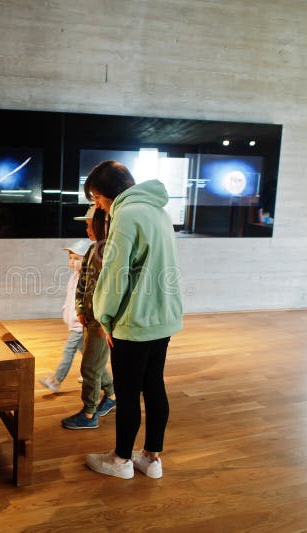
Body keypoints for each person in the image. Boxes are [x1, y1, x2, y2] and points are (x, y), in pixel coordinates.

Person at [83, 161, 183, 479]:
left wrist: (106, 317)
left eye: (96, 199)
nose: (98, 206)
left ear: (105, 193)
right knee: (154, 385)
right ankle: (151, 458)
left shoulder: (126, 214)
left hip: (134, 320)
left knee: (127, 393)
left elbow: (115, 275)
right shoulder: (159, 212)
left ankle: (121, 459)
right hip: (163, 316)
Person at [61, 205, 117, 429]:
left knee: (90, 367)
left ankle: (89, 413)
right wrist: (81, 309)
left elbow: (115, 289)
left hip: (102, 321)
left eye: (89, 223)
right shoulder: (94, 249)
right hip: (90, 317)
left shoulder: (113, 251)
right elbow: (82, 282)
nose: (86, 228)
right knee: (94, 362)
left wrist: (106, 321)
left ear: (104, 223)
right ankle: (112, 396)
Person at [38, 239, 91, 392]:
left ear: (87, 259)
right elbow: (70, 298)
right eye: (70, 258)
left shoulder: (86, 280)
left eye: (76, 258)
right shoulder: (74, 277)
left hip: (79, 326)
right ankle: (96, 378)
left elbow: (84, 302)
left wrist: (76, 317)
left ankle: (56, 381)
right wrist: (65, 309)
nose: (72, 262)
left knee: (68, 351)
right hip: (74, 324)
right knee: (88, 356)